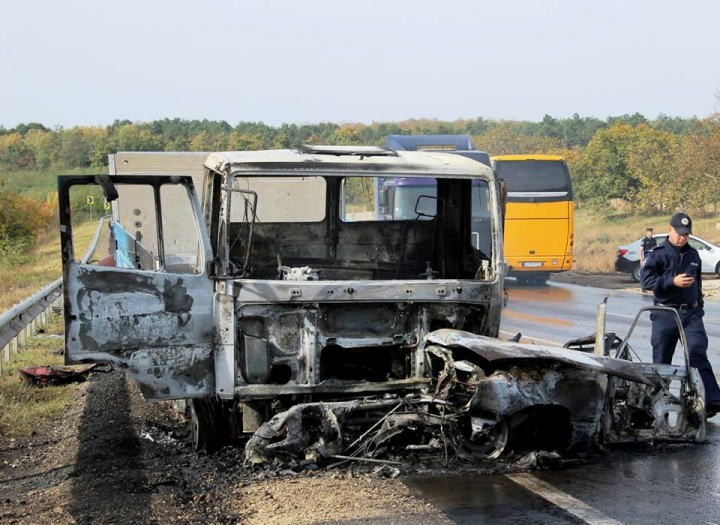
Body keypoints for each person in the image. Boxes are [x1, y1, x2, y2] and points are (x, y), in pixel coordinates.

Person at [640, 213, 720, 417]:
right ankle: (653, 407)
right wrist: (671, 282)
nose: (683, 238)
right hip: (666, 313)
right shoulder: (657, 254)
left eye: (686, 234)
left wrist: (699, 306)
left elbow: (698, 283)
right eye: (679, 233)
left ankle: (712, 400)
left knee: (697, 353)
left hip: (691, 314)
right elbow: (646, 282)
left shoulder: (693, 255)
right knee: (661, 361)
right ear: (670, 230)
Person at [639, 227, 657, 293]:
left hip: (652, 257)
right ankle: (643, 287)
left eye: (651, 231)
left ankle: (652, 286)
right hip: (646, 257)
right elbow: (641, 250)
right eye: (649, 231)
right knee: (644, 272)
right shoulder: (644, 240)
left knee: (653, 272)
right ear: (646, 232)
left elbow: (655, 249)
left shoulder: (654, 240)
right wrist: (641, 259)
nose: (650, 233)